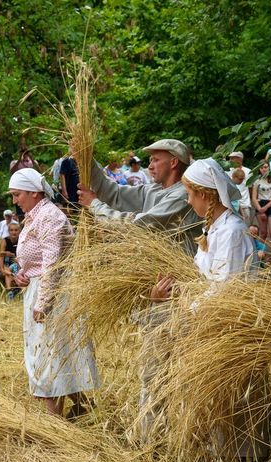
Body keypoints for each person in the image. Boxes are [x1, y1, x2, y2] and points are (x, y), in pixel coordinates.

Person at [149, 158, 269, 462]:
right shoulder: (214, 228)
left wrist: (185, 298)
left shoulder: (230, 231)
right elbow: (204, 280)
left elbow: (226, 291)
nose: (188, 200)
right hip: (211, 333)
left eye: (190, 194)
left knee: (237, 417)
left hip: (233, 335)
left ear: (207, 195)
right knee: (220, 418)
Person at [76, 138, 201, 444]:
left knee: (166, 367)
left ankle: (162, 440)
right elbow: (113, 192)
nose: (148, 165)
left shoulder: (182, 196)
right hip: (155, 292)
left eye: (155, 160)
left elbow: (139, 226)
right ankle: (153, 437)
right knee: (153, 365)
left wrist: (96, 208)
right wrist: (86, 156)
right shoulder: (153, 191)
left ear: (174, 161)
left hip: (177, 293)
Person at [8, 167, 99, 418]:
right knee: (53, 352)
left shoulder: (49, 217)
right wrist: (23, 273)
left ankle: (54, 422)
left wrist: (44, 302)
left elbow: (53, 265)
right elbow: (36, 260)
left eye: (17, 194)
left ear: (34, 193)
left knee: (48, 354)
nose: (15, 200)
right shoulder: (35, 216)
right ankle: (83, 407)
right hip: (41, 287)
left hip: (56, 292)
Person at [250, 163, 271, 246]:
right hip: (260, 205)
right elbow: (254, 197)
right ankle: (260, 254)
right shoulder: (257, 180)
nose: (263, 169)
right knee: (263, 233)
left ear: (269, 168)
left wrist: (266, 207)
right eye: (261, 168)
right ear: (259, 169)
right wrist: (260, 209)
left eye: (265, 167)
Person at [227, 151, 254, 226]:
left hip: (244, 204)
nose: (230, 160)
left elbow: (250, 189)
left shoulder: (248, 172)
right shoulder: (228, 171)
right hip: (232, 205)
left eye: (232, 158)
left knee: (246, 228)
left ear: (239, 159)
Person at [0, 221, 22, 295]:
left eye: (16, 230)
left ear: (19, 231)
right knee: (6, 271)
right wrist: (1, 269)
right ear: (9, 231)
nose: (14, 232)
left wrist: (15, 257)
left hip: (18, 262)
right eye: (11, 230)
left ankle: (18, 289)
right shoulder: (5, 240)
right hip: (7, 263)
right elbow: (1, 256)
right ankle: (9, 290)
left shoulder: (21, 240)